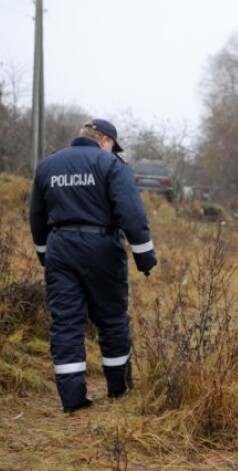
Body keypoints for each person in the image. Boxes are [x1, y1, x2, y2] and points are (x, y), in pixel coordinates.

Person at [29, 119, 158, 413]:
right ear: (104, 140)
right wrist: (145, 257)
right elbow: (132, 215)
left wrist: (44, 255)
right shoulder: (111, 165)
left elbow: (36, 216)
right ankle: (119, 391)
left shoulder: (48, 166)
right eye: (113, 145)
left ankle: (73, 400)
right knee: (111, 319)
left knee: (66, 323)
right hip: (102, 249)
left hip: (60, 249)